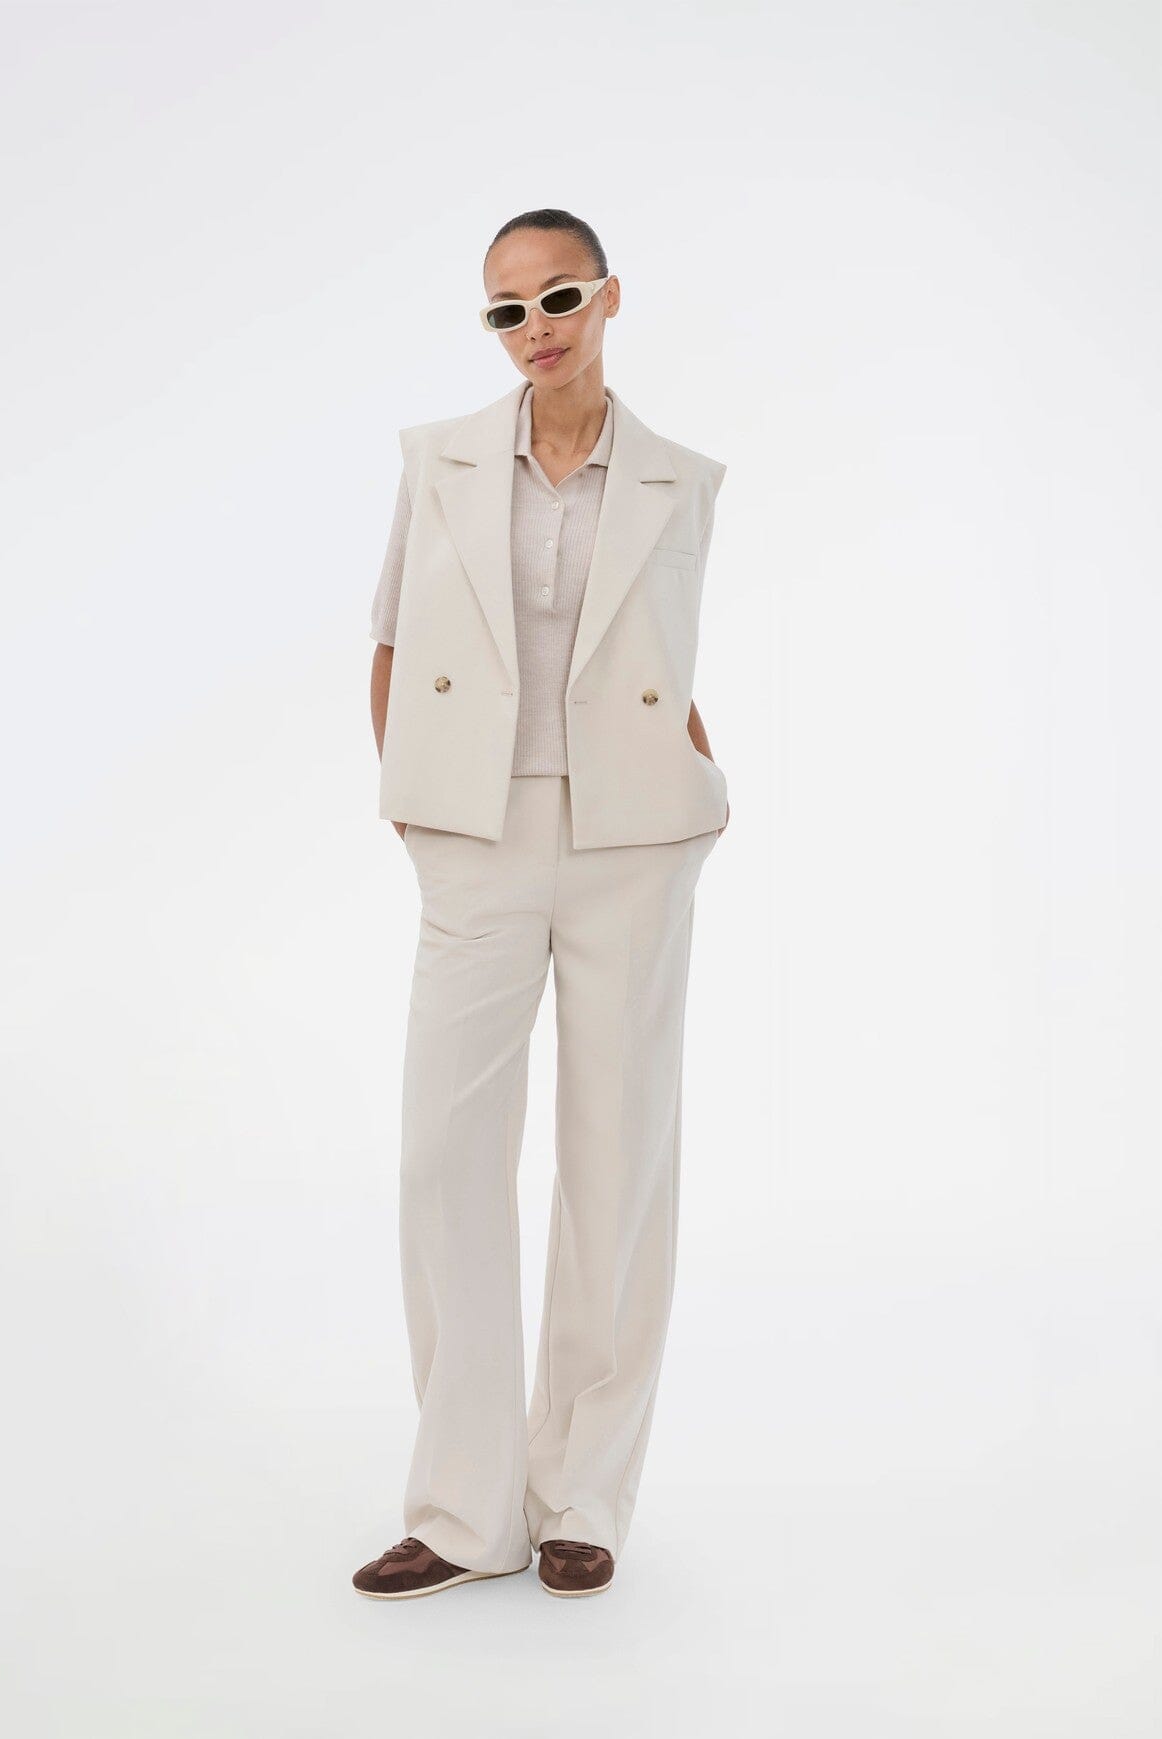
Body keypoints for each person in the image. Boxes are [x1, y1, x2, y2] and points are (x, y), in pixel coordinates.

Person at [355, 208, 730, 1600]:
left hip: (635, 837)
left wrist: (700, 788)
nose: (534, 328)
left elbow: (665, 660)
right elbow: (390, 639)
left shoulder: (681, 479)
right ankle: (462, 1509)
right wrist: (417, 812)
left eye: (558, 297)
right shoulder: (439, 460)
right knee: (443, 1156)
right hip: (478, 835)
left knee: (617, 1159)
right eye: (506, 310)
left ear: (608, 297)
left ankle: (582, 1494)